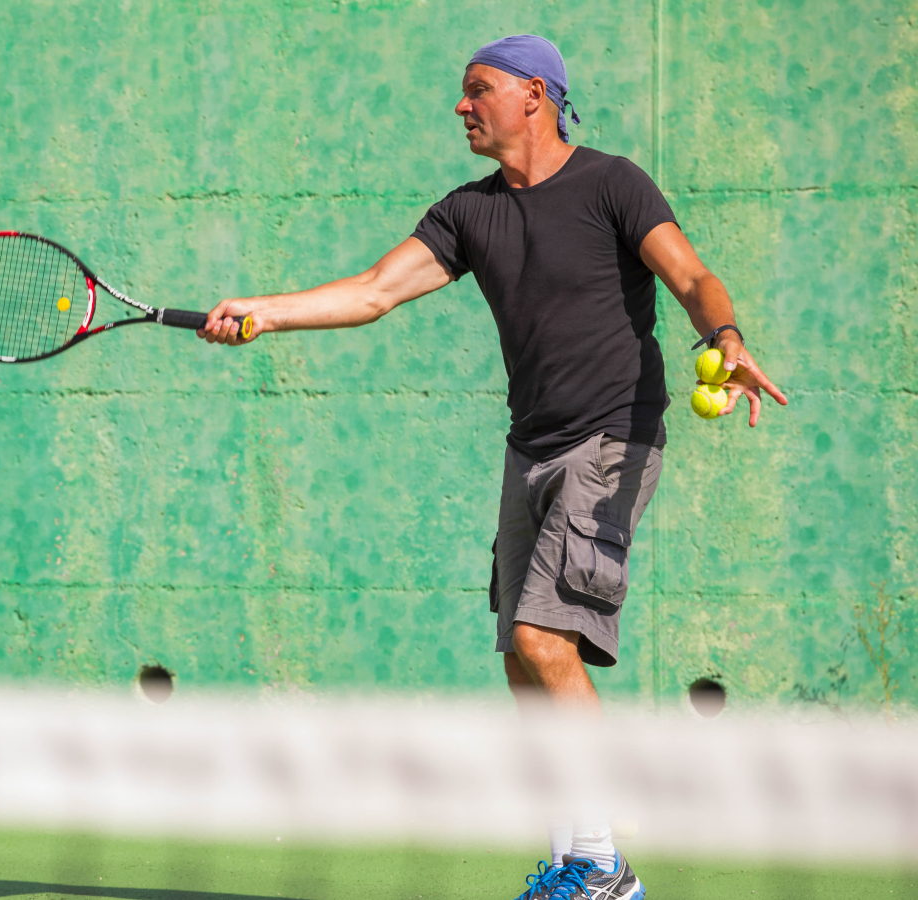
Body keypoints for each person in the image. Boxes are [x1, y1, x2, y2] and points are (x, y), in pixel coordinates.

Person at [196, 34, 787, 900]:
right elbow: (374, 291)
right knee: (520, 653)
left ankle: (602, 867)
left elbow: (692, 275)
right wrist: (266, 313)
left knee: (548, 639)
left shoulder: (612, 183)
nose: (463, 107)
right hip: (532, 445)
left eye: (480, 90)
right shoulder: (466, 212)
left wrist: (725, 339)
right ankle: (573, 861)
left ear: (537, 98)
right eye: (463, 92)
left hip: (614, 436)